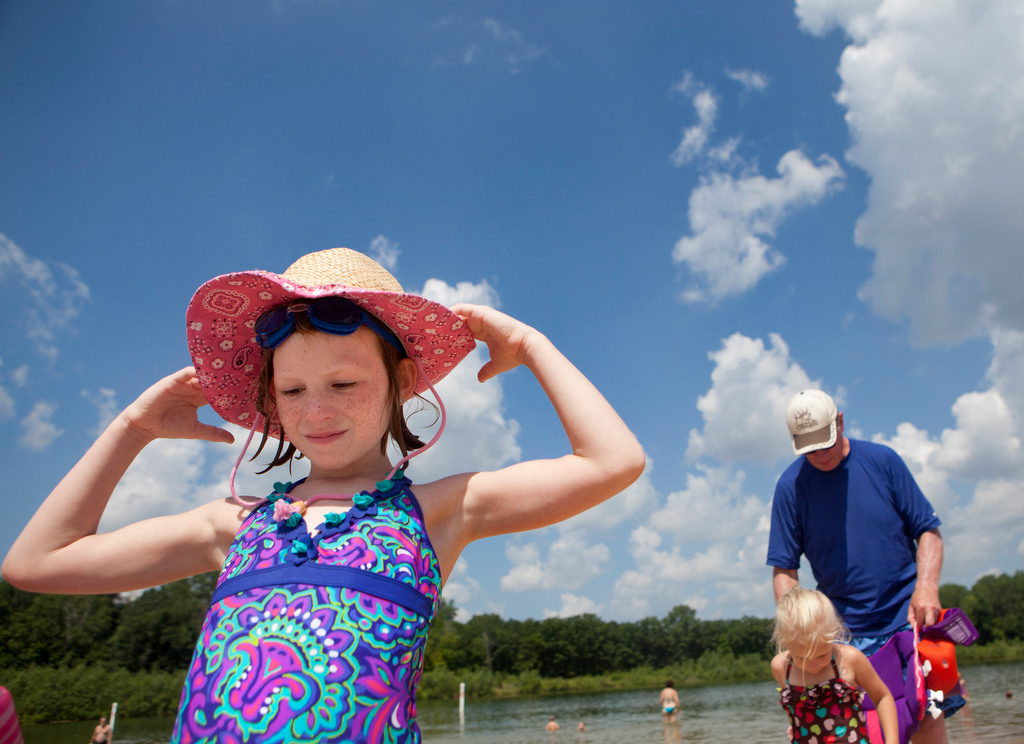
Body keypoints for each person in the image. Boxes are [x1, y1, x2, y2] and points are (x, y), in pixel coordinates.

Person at [1, 248, 645, 744]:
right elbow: (36, 563)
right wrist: (132, 429)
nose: (316, 411)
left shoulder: (437, 512)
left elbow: (613, 461)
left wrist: (530, 345)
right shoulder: (232, 527)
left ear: (401, 381)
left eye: (343, 383)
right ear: (268, 399)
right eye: (292, 391)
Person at [767, 390, 957, 744]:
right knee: (861, 732)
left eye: (826, 442)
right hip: (842, 637)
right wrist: (797, 633)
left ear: (840, 421)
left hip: (908, 616)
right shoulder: (790, 488)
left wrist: (927, 588)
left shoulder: (883, 461)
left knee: (928, 721)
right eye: (809, 448)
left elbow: (928, 532)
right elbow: (784, 570)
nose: (820, 455)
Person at [772, 586, 899, 744]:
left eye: (822, 655)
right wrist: (794, 724)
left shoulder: (849, 660)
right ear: (785, 643)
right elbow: (792, 704)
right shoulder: (782, 667)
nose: (813, 665)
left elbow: (882, 697)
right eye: (801, 658)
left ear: (833, 634)